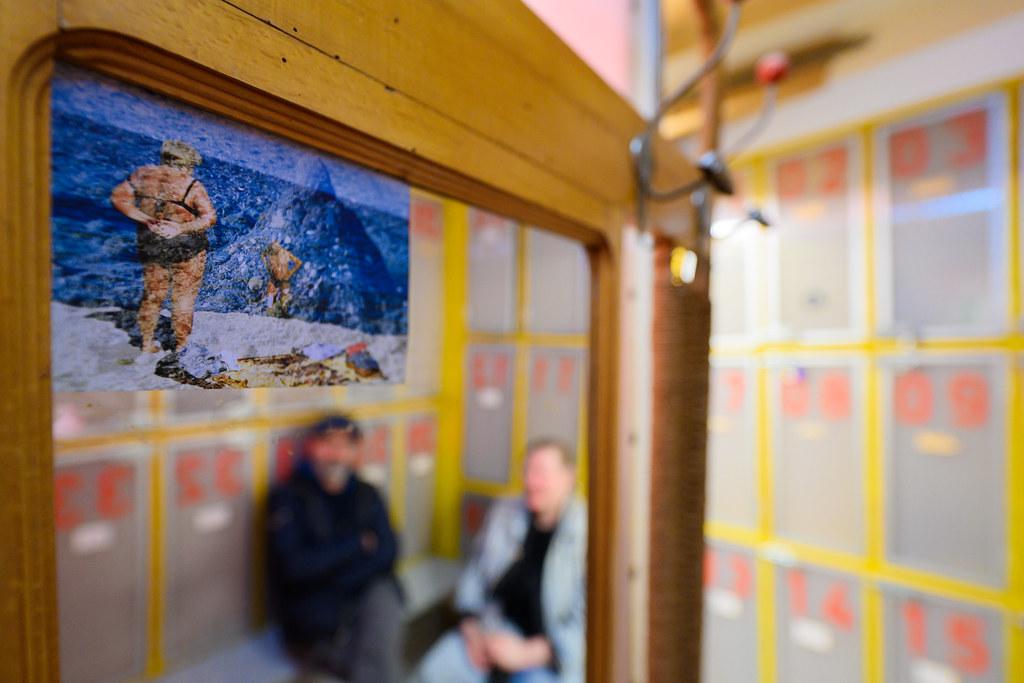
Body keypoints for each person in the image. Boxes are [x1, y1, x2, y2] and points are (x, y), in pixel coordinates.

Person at [413, 439, 586, 683]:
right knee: (434, 670)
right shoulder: (505, 511)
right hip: (491, 630)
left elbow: (590, 626)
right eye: (526, 471)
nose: (531, 481)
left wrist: (531, 653)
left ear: (568, 477)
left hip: (549, 656)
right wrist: (472, 629)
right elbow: (474, 575)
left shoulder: (586, 533)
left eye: (541, 473)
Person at [267, 415, 403, 683]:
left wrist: (333, 572)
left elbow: (389, 552)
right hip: (316, 621)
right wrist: (357, 544)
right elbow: (295, 568)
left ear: (355, 451)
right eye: (328, 444)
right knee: (376, 660)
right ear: (311, 447)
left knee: (383, 597)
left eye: (345, 445)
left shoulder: (367, 493)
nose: (336, 454)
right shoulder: (289, 497)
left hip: (360, 605)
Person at [110, 139, 217, 353]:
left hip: (153, 246)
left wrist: (145, 219)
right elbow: (209, 218)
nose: (190, 171)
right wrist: (180, 228)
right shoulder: (192, 187)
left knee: (153, 294)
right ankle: (181, 346)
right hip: (187, 250)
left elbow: (118, 199)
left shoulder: (143, 175)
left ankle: (147, 342)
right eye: (190, 167)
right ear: (185, 165)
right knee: (183, 299)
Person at [261, 240, 303, 317]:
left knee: (284, 299)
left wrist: (290, 273)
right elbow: (263, 255)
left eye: (277, 246)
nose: (276, 248)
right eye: (274, 247)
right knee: (270, 296)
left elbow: (299, 262)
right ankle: (270, 312)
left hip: (284, 279)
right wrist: (268, 267)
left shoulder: (286, 253)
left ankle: (283, 312)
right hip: (274, 278)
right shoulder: (271, 255)